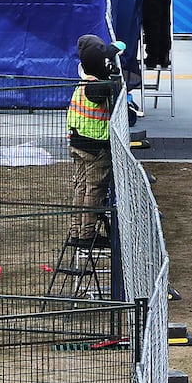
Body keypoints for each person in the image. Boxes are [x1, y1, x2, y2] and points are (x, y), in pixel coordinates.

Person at [67, 34, 123, 248]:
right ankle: (87, 234)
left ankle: (76, 231)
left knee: (80, 189)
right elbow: (102, 91)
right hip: (95, 148)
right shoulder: (94, 87)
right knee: (93, 191)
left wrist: (110, 52)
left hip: (78, 143)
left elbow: (119, 46)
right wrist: (112, 78)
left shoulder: (83, 77)